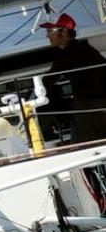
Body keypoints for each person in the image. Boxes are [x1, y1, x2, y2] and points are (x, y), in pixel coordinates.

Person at [40, 13, 106, 144]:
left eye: (50, 31)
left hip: (91, 105)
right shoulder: (81, 48)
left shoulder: (70, 52)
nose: (47, 36)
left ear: (64, 32)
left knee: (82, 148)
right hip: (95, 104)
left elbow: (49, 79)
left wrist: (31, 95)